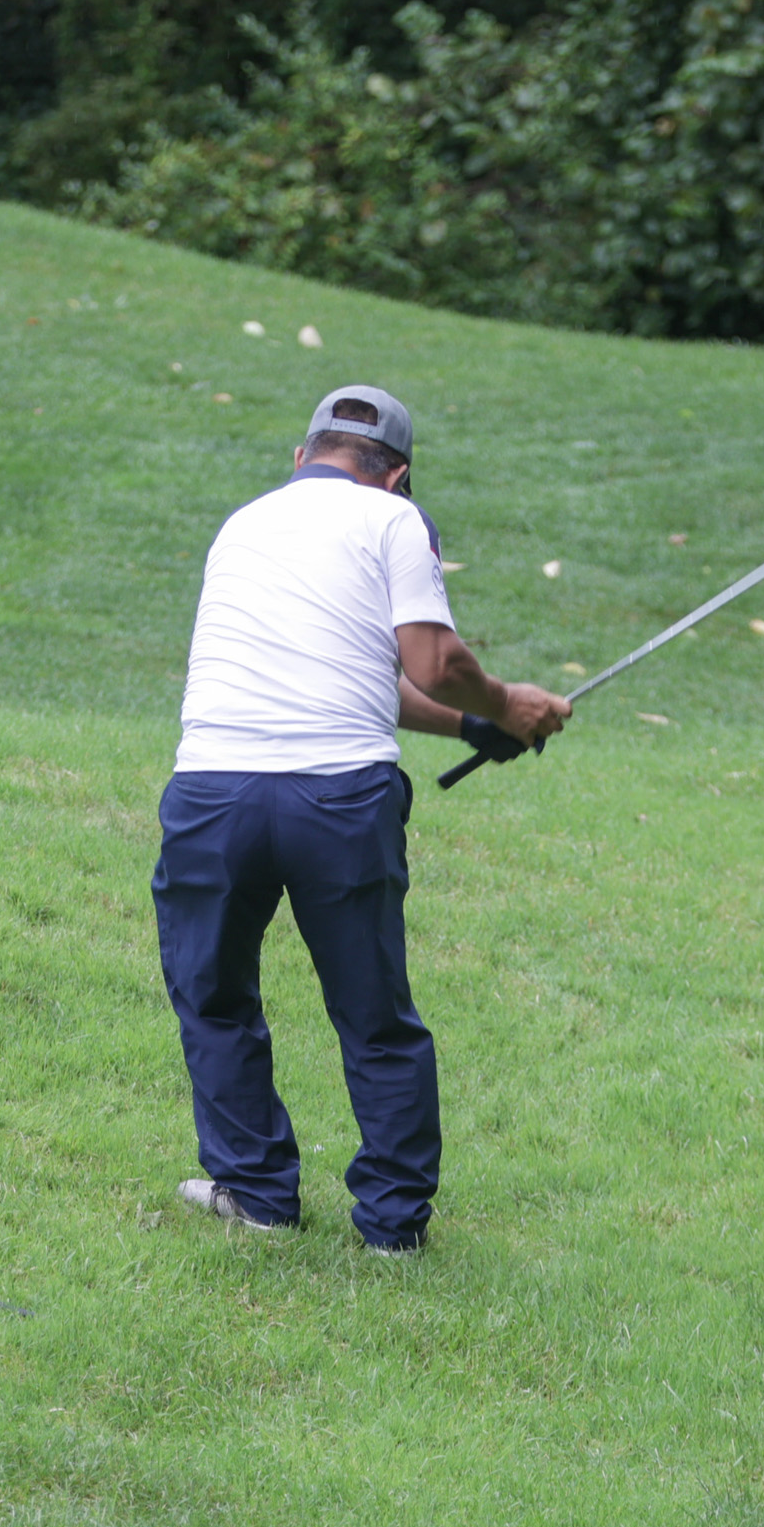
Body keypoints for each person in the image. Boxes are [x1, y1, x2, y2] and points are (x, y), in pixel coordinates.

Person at [152, 387, 570, 1256]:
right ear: (398, 475)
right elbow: (434, 661)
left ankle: (256, 1194)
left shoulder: (243, 524)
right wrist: (506, 703)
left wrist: (474, 726)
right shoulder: (394, 521)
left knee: (214, 996)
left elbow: (368, 673)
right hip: (339, 799)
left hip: (214, 793)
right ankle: (391, 1228)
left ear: (302, 457)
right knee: (373, 1012)